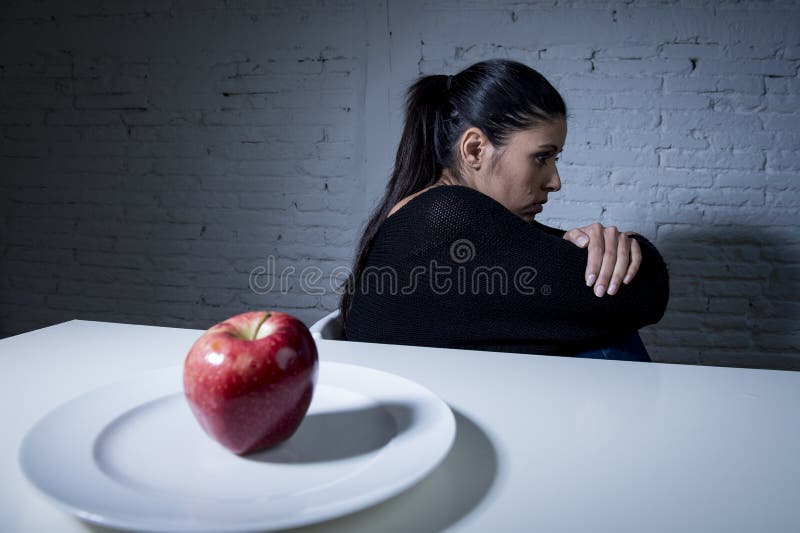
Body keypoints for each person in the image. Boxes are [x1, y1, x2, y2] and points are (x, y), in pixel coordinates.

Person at [339, 59, 669, 362]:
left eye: (556, 159)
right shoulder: (446, 217)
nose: (554, 181)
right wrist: (629, 245)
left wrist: (609, 246)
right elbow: (643, 292)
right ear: (474, 149)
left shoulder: (426, 213)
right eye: (542, 157)